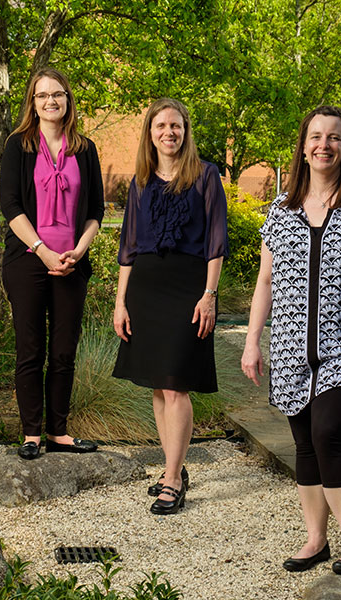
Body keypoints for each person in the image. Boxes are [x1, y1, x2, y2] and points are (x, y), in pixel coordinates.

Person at [241, 106, 341, 575]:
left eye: (334, 138)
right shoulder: (280, 210)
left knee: (328, 433)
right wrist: (253, 341)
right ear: (303, 146)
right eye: (315, 137)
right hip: (291, 348)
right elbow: (266, 283)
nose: (323, 145)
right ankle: (315, 541)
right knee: (305, 444)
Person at [112, 98, 228, 515]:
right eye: (160, 125)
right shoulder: (141, 181)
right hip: (145, 287)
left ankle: (175, 478)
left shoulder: (206, 175)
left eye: (175, 125)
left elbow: (217, 242)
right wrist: (120, 301)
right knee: (159, 386)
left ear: (185, 130)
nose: (168, 132)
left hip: (187, 288)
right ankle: (170, 466)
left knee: (177, 383)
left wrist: (209, 295)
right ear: (150, 133)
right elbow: (127, 246)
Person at [0, 68, 104, 460]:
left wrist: (79, 249)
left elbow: (95, 209)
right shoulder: (18, 146)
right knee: (30, 348)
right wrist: (43, 250)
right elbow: (9, 206)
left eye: (57, 94)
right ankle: (31, 433)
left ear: (68, 100)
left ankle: (58, 431)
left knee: (64, 349)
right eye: (42, 96)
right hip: (27, 260)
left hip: (72, 262)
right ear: (33, 102)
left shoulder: (85, 149)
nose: (50, 102)